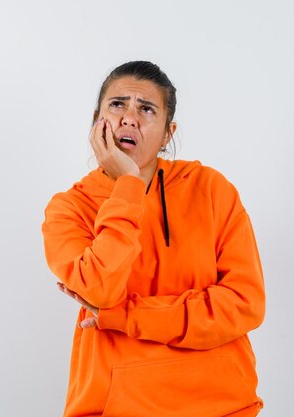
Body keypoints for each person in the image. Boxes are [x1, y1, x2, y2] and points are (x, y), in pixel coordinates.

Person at [41, 61, 265, 417]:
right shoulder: (70, 208)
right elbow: (100, 289)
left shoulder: (210, 189)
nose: (129, 118)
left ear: (167, 134)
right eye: (117, 105)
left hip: (223, 405)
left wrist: (125, 316)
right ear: (95, 121)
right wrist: (128, 185)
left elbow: (244, 303)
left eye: (146, 109)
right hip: (117, 409)